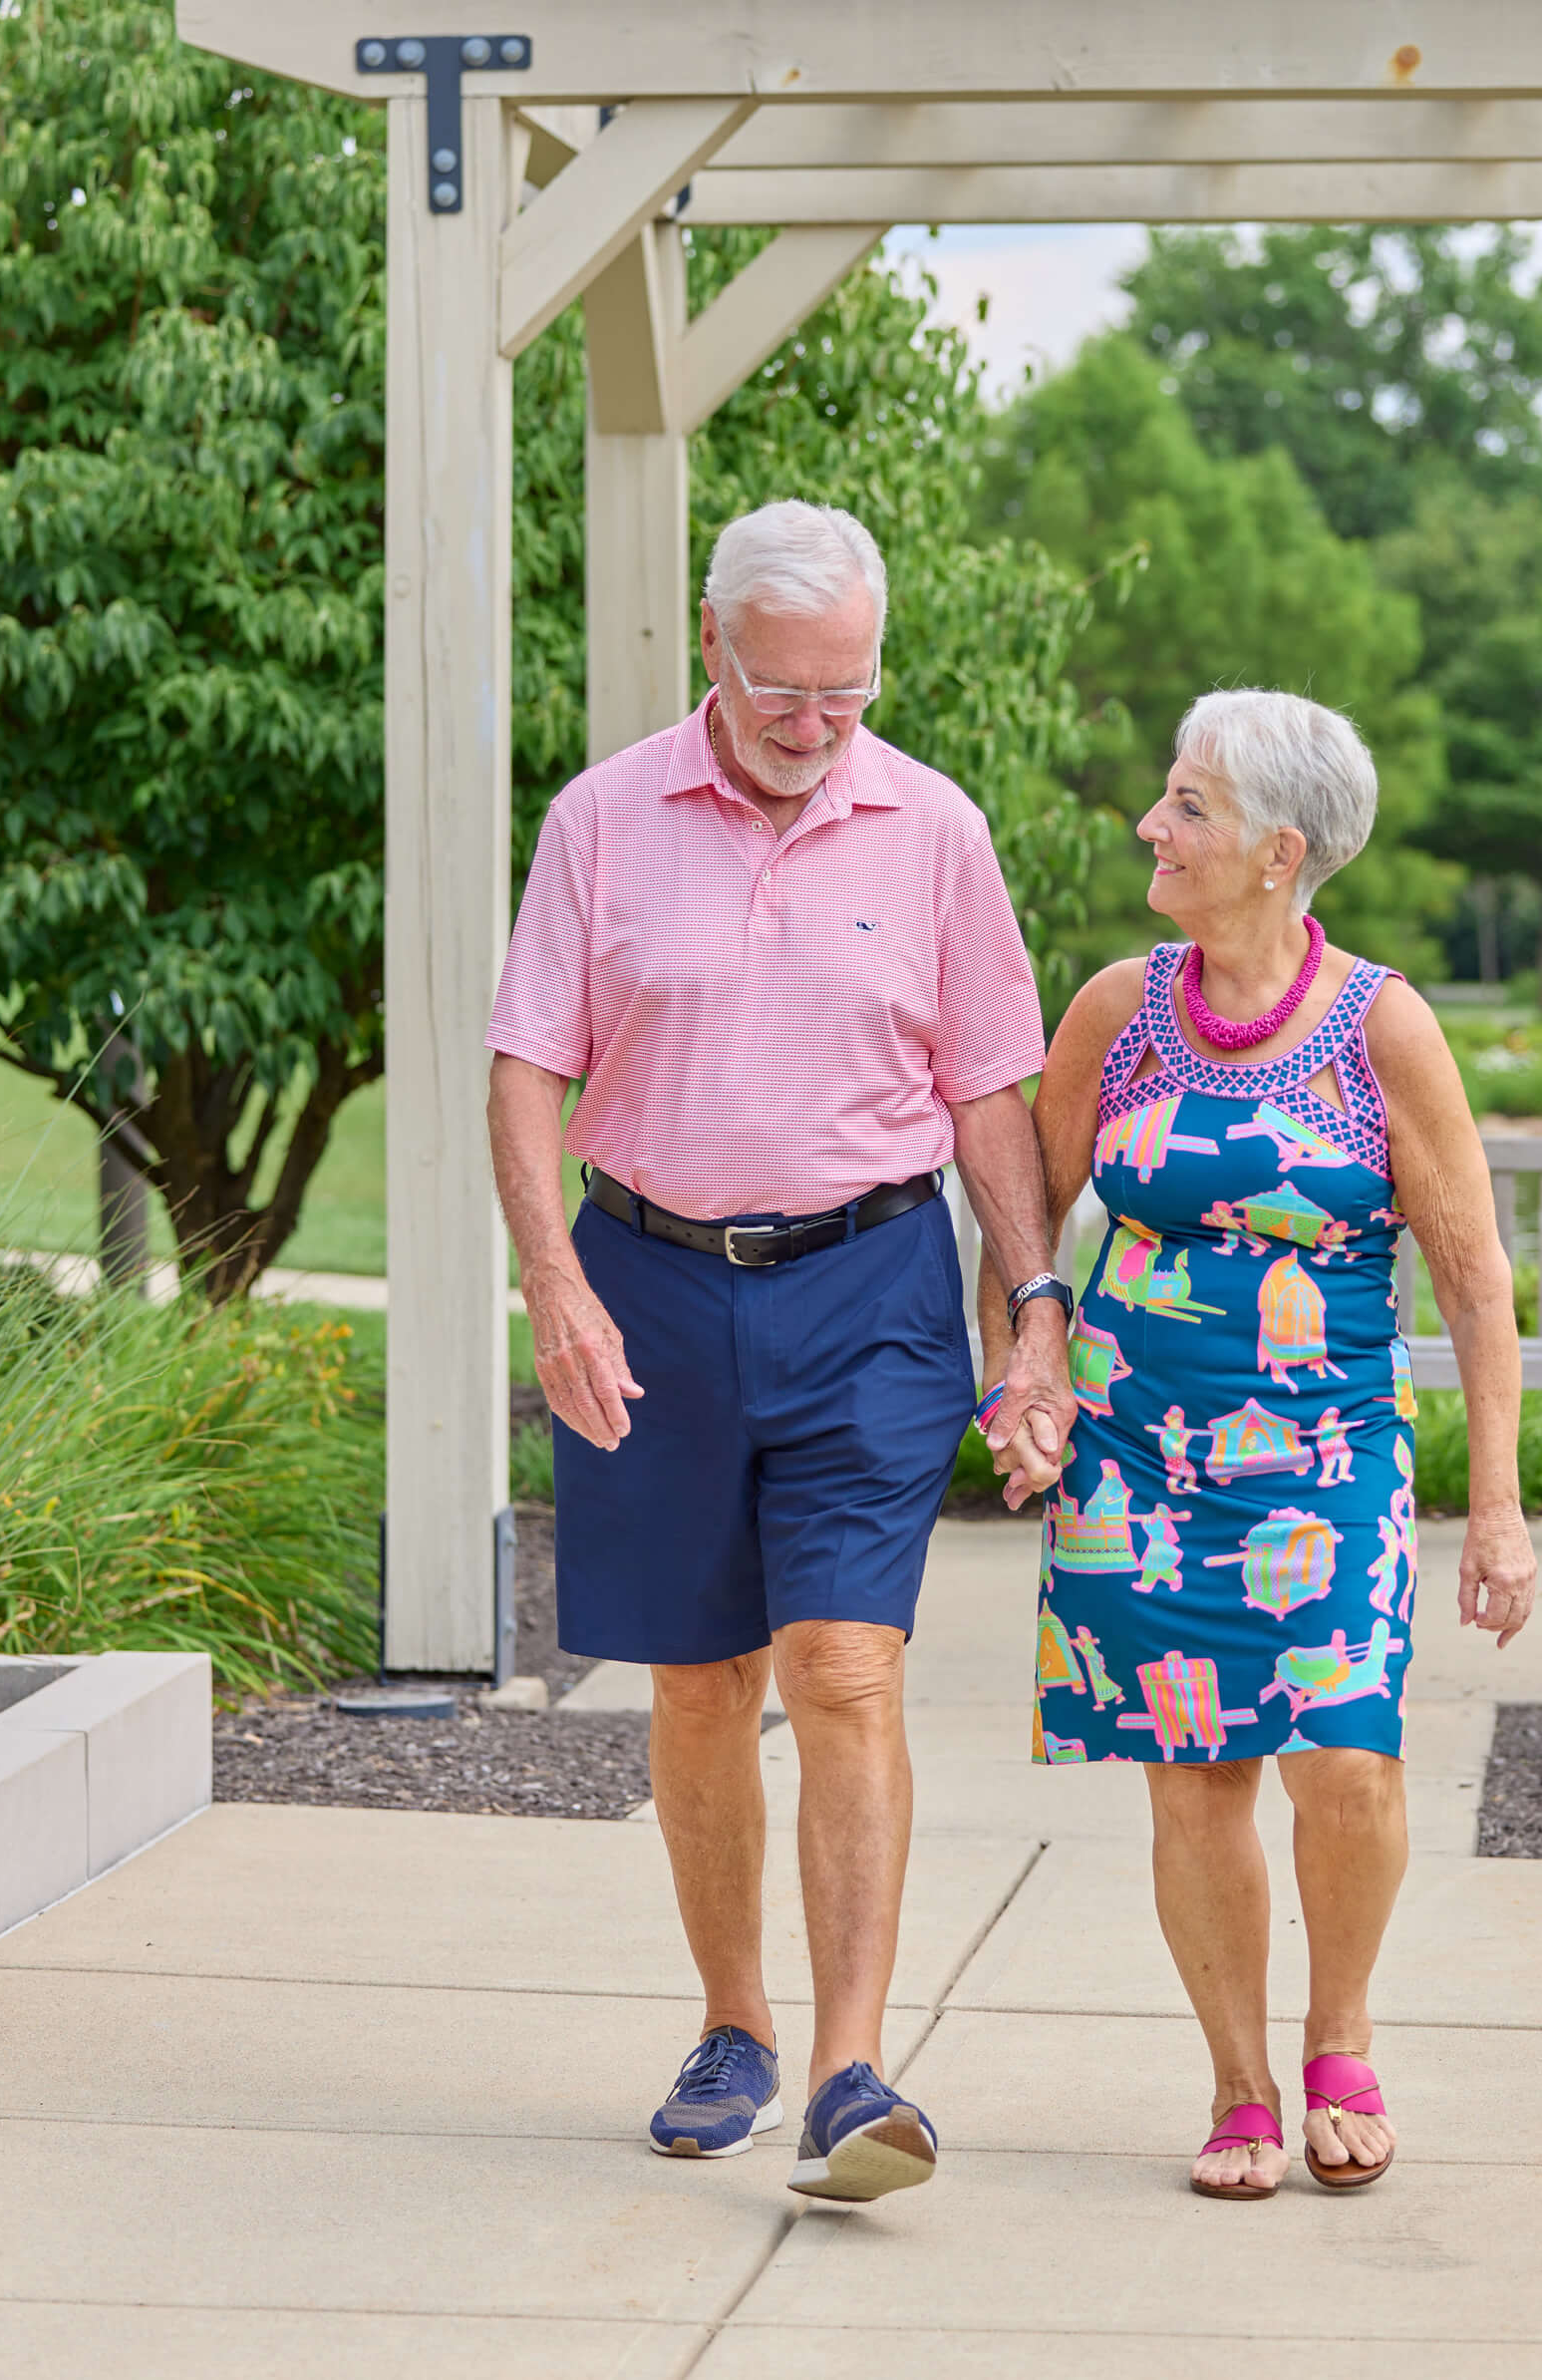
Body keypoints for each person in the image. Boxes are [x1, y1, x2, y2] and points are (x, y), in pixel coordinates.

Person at [488, 501, 1078, 2204]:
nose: (817, 728)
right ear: (712, 648)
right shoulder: (603, 820)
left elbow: (988, 1096)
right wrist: (554, 1283)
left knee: (842, 1667)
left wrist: (1030, 1304)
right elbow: (529, 1061)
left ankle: (846, 2067)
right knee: (696, 1680)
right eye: (783, 696)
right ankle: (731, 2025)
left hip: (869, 1287)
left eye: (848, 693)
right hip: (650, 1284)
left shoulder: (934, 828)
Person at [1010, 688, 1535, 2200]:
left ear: (1275, 852)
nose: (1151, 827)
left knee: (1345, 1762)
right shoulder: (1118, 1009)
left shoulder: (1381, 1025)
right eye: (1166, 798)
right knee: (1190, 1777)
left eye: (1188, 806)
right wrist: (1028, 1368)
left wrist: (1493, 1509)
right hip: (1133, 1461)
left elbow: (1471, 1270)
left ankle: (1340, 2032)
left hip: (1325, 1456)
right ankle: (1238, 2088)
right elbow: (1027, 1223)